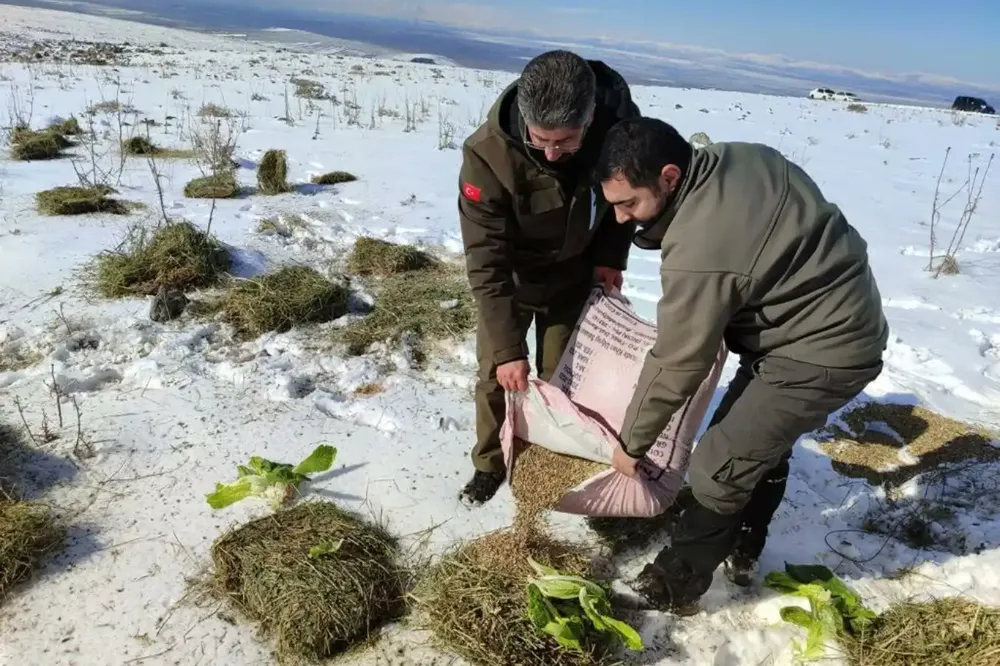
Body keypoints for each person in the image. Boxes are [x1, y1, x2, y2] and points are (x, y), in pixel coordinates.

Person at [595, 117, 889, 613]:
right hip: (820, 320)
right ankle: (745, 544)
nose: (622, 219)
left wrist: (631, 443)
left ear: (669, 177)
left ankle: (676, 584)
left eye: (629, 203)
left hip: (825, 347)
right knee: (754, 441)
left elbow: (679, 359)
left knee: (718, 465)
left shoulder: (699, 246)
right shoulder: (735, 159)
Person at [457, 50, 641, 506]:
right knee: (500, 375)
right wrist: (507, 350)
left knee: (563, 374)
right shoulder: (487, 158)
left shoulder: (620, 135)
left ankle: (546, 453)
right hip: (513, 279)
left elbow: (627, 200)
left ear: (591, 116)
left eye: (567, 141)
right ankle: (489, 462)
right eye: (541, 140)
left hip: (575, 272)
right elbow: (486, 259)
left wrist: (610, 257)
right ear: (524, 115)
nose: (553, 152)